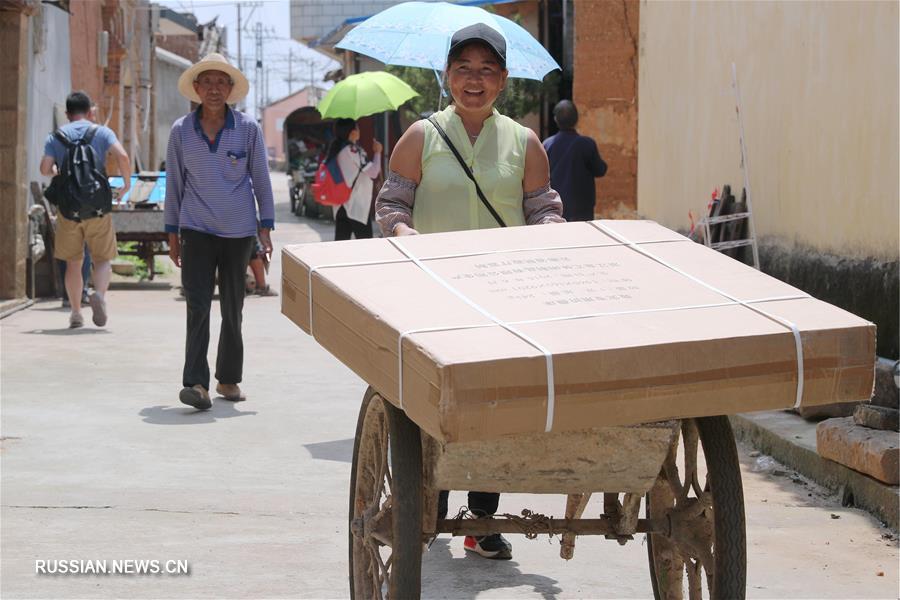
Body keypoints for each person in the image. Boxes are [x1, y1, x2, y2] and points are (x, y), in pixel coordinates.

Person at [375, 23, 565, 560]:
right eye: (464, 69)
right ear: (447, 76)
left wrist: (552, 235)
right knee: (430, 403)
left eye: (486, 70)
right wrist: (406, 236)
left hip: (504, 297)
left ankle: (481, 522)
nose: (474, 80)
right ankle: (428, 509)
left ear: (503, 80)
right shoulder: (421, 136)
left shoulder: (525, 142)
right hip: (432, 293)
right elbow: (391, 207)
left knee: (494, 405)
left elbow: (543, 210)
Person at [164, 53, 274, 410]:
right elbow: (175, 185)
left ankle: (228, 379)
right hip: (196, 229)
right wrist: (172, 233)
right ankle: (196, 383)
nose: (214, 89)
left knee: (233, 307)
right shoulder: (181, 131)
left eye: (221, 83)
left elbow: (261, 179)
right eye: (207, 82)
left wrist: (266, 227)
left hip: (238, 232)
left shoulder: (247, 129)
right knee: (196, 305)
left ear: (231, 89)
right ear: (196, 89)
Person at [40, 91, 131, 328]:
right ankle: (99, 295)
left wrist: (58, 173)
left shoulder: (56, 137)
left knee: (73, 262)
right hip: (98, 206)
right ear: (90, 111)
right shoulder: (101, 132)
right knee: (102, 259)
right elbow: (122, 156)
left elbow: (44, 168)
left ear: (68, 114)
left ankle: (76, 313)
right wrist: (126, 184)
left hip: (69, 209)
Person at [542, 100, 608, 221]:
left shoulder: (546, 145)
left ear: (556, 120)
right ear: (577, 119)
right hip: (582, 208)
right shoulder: (587, 144)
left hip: (556, 207)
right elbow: (600, 170)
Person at [327, 118, 382, 241]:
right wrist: (377, 152)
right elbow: (373, 173)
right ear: (352, 132)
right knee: (365, 247)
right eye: (357, 128)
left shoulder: (337, 149)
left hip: (340, 204)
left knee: (341, 246)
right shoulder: (353, 150)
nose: (359, 130)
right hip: (356, 205)